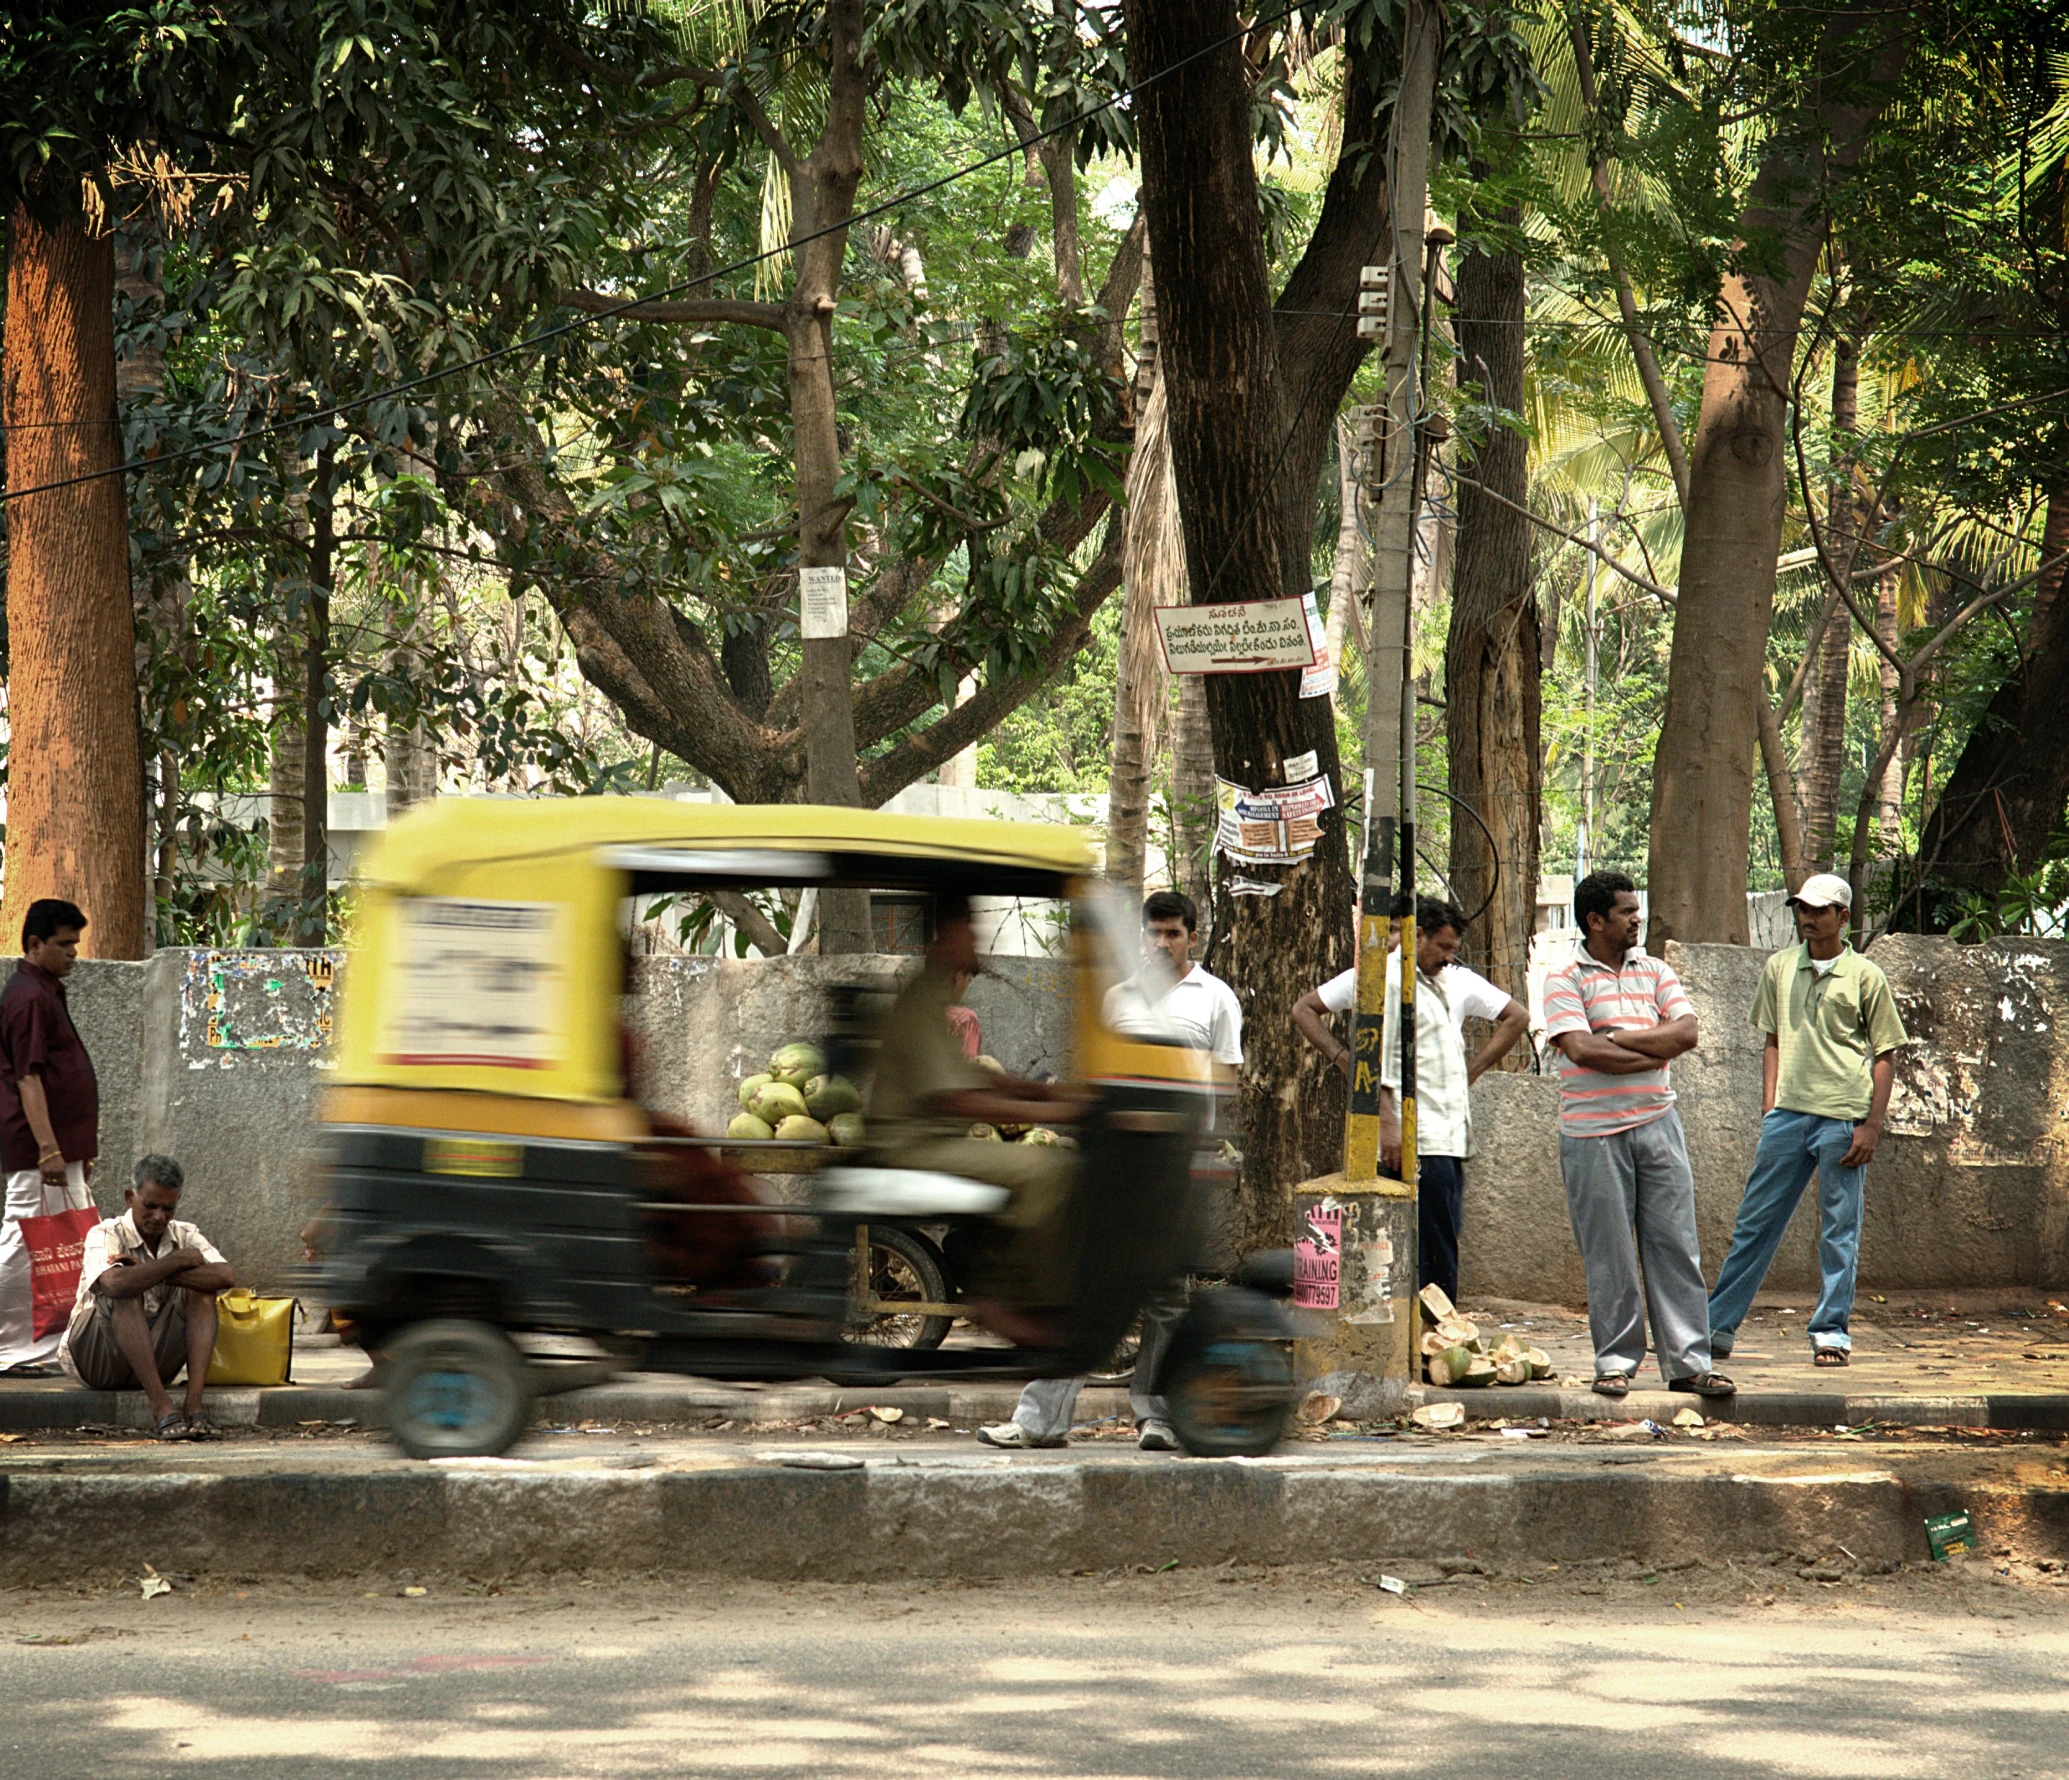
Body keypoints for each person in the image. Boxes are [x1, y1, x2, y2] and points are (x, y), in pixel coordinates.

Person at [980, 891, 1240, 1452]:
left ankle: (1158, 1415)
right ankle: (1039, 1419)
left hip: (1180, 1158)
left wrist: (1212, 1150)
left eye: (1174, 933)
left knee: (1167, 1293)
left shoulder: (1216, 998)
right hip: (1116, 1159)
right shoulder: (1116, 997)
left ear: (1192, 935)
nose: (1162, 942)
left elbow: (1227, 1080)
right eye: (1154, 933)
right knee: (1086, 1279)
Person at [1542, 871, 1733, 1400]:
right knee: (1609, 1256)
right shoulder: (1564, 978)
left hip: (1659, 1124)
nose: (1637, 918)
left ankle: (1690, 1365)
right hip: (1590, 1135)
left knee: (1676, 1246)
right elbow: (1582, 1051)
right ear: (1595, 920)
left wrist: (1619, 1038)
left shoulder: (1655, 971)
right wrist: (1652, 1048)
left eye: (1637, 908)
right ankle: (1616, 1363)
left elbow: (1687, 1033)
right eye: (1626, 911)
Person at [1706, 873, 1909, 1368]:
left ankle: (1831, 1332)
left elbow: (1886, 1054)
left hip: (1844, 1119)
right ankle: (1714, 1329)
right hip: (1787, 1119)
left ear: (1843, 918)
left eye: (1819, 911)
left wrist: (1873, 1126)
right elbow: (1772, 1038)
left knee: (1840, 1231)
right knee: (1754, 1225)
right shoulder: (1779, 967)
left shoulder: (1866, 976)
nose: (1807, 918)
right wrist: (1769, 1106)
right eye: (1801, 909)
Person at [1293, 894, 1528, 1307]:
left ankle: (1437, 1331)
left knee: (1441, 1235)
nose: (1448, 957)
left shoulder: (1456, 980)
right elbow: (1364, 1049)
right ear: (1418, 937)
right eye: (1443, 947)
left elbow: (1517, 1017)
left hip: (1450, 1133)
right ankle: (1422, 1332)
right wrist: (1347, 1064)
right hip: (1413, 1134)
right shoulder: (1381, 979)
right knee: (1418, 1245)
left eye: (1454, 950)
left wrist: (1472, 1071)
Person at [868, 895, 1085, 1332]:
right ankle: (1014, 1301)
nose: (977, 945)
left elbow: (970, 1075)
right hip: (911, 1147)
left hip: (933, 1141)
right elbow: (953, 1098)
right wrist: (1056, 1112)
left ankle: (997, 1273)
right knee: (1051, 1170)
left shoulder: (934, 995)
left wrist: (1042, 1092)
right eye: (971, 933)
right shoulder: (922, 1001)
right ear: (946, 936)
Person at [58, 1156, 237, 1439]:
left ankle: (194, 1404)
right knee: (125, 1291)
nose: (159, 1217)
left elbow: (225, 1277)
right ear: (130, 1197)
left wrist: (153, 1272)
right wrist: (173, 1263)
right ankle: (162, 1407)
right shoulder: (106, 1232)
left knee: (202, 1293)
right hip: (96, 1361)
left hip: (155, 1360)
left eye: (169, 1208)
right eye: (150, 1206)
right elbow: (114, 1285)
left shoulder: (184, 1233)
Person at [0, 899, 101, 1376]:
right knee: (25, 1245)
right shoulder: (29, 998)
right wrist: (49, 1149)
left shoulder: (45, 990)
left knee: (61, 1246)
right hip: (39, 1150)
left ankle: (37, 1347)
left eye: (75, 945)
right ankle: (10, 1348)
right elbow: (28, 1078)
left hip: (60, 1150)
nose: (73, 954)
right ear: (35, 944)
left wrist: (73, 1151)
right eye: (64, 945)